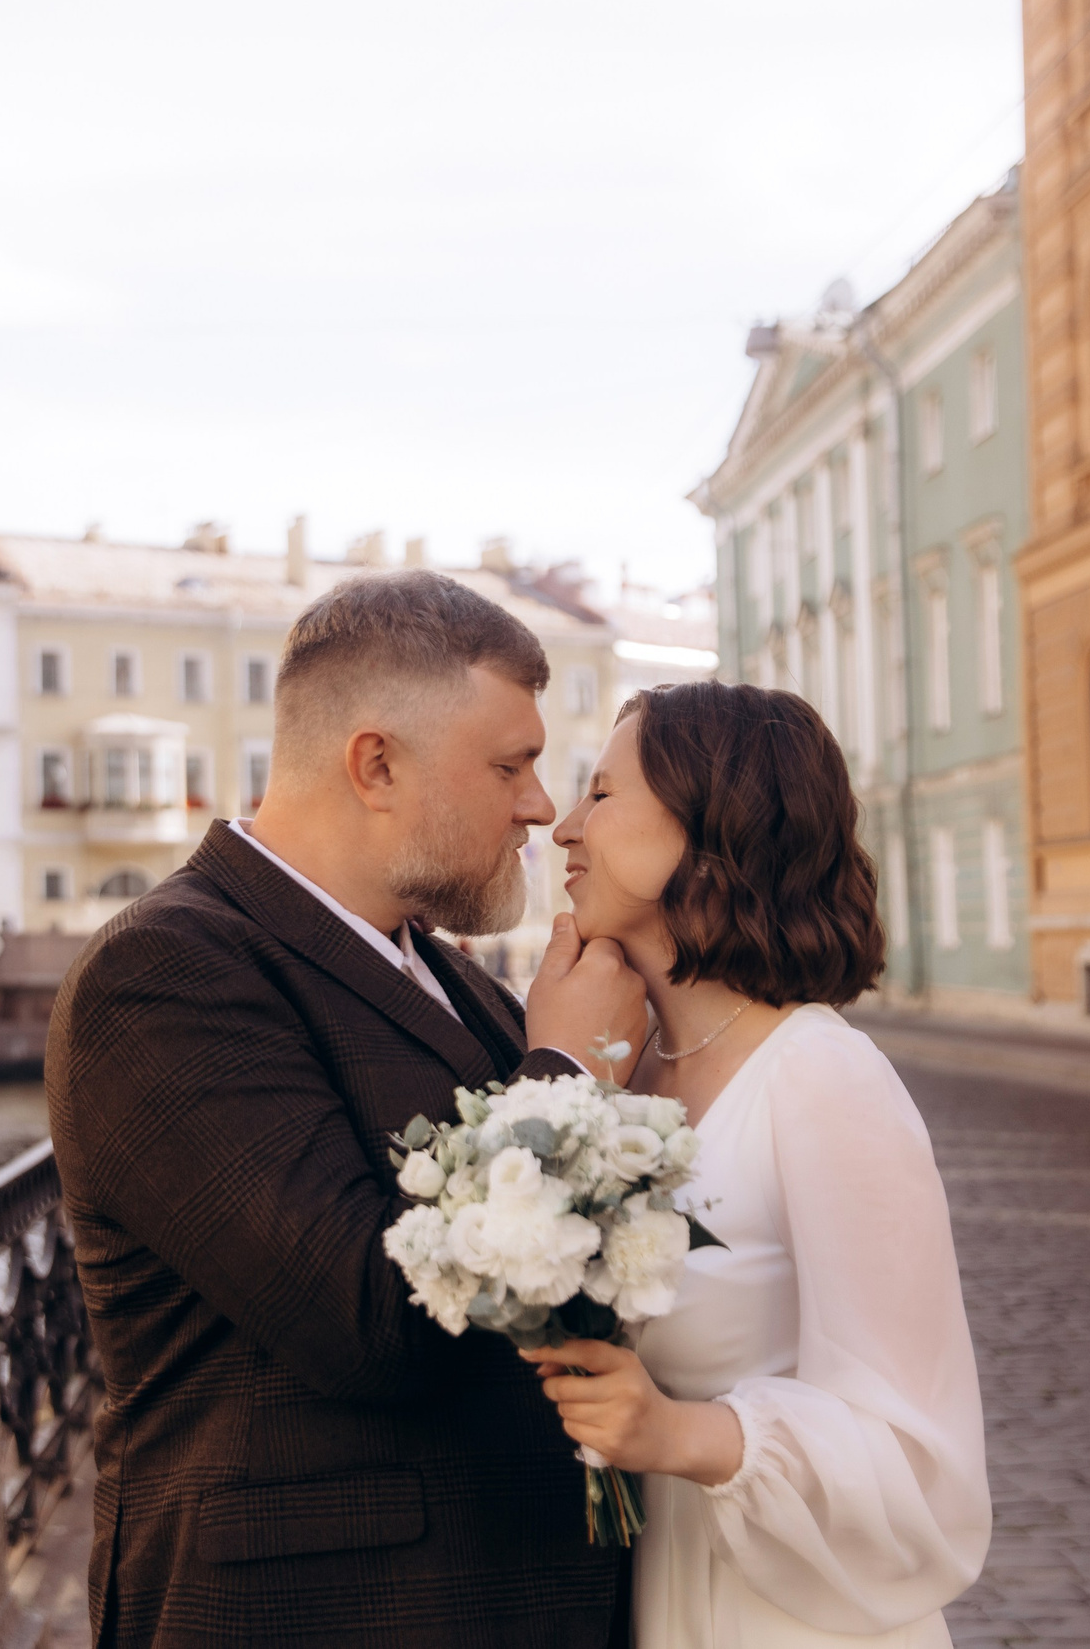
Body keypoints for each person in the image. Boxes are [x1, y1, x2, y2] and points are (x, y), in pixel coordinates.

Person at [45, 572, 649, 1649]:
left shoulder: (451, 974)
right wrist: (564, 1071)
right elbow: (371, 1324)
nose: (539, 806)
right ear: (376, 765)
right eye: (508, 765)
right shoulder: (164, 972)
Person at [523, 681, 991, 1647]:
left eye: (600, 794)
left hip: (789, 1614)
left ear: (710, 829)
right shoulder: (627, 1075)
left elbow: (920, 1462)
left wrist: (679, 1434)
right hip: (653, 1596)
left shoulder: (823, 1078)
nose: (565, 827)